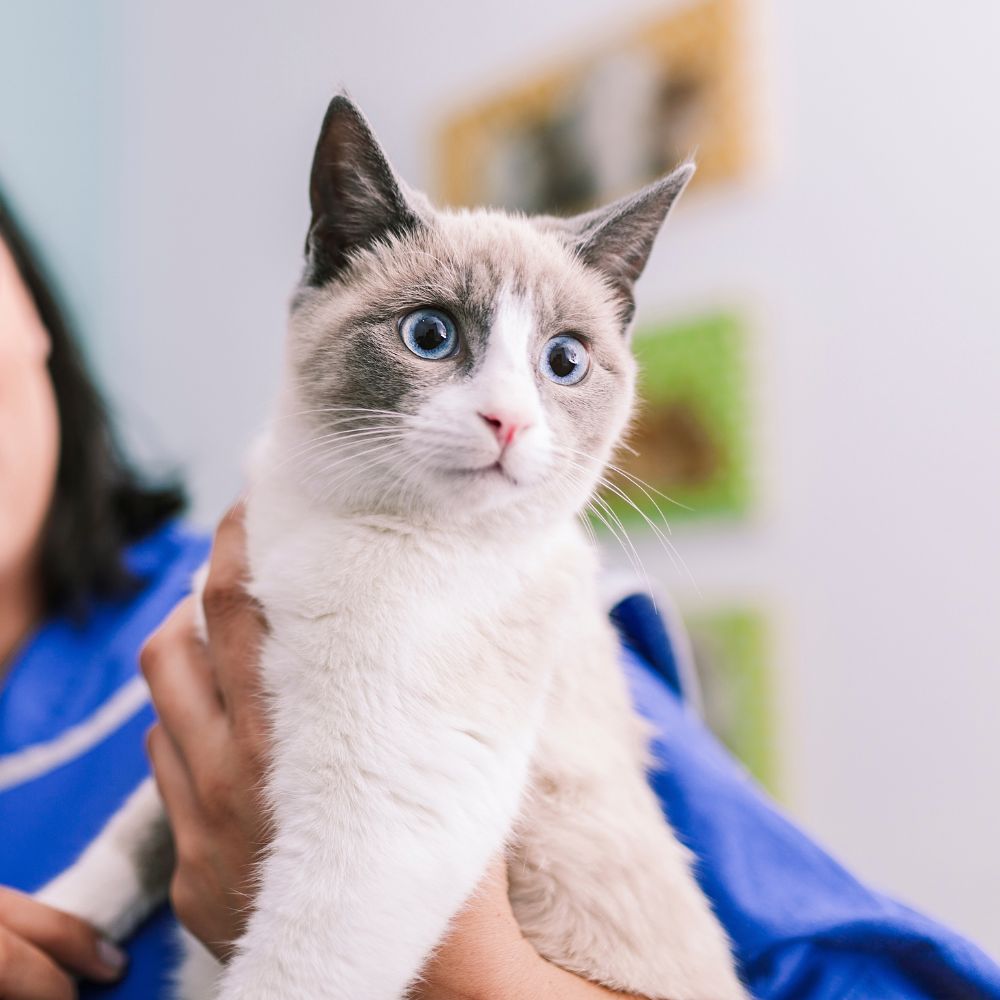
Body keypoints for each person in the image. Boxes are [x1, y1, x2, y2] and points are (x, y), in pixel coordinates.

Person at [2, 185, 1000, 999]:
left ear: (38, 321)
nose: (511, 414)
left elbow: (873, 979)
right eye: (433, 335)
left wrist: (475, 975)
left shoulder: (527, 587)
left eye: (563, 362)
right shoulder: (250, 564)